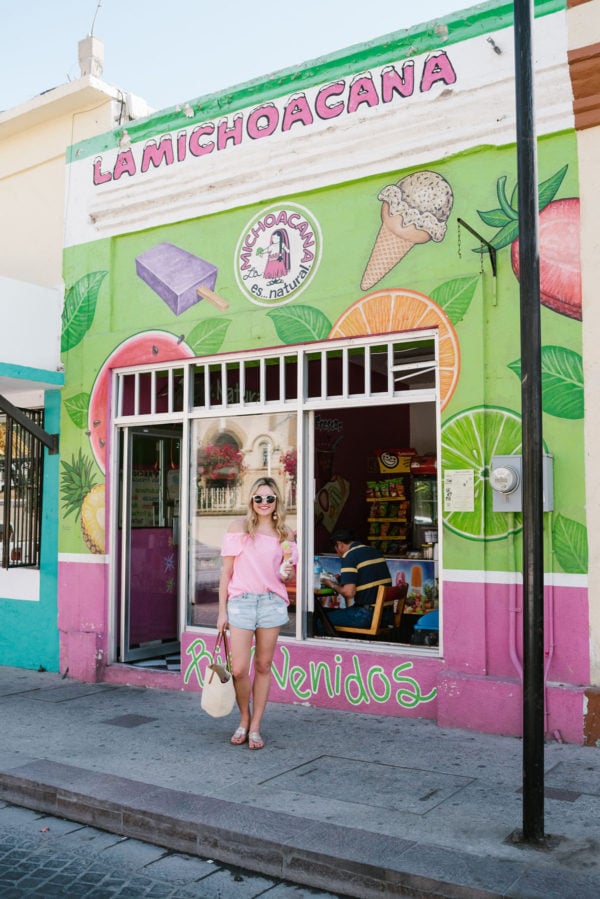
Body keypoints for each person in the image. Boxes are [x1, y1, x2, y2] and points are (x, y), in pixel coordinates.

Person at [217, 476, 297, 750]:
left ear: (277, 502)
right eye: (258, 498)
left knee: (263, 666)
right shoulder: (238, 527)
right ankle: (243, 717)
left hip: (271, 603)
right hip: (241, 603)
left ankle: (255, 726)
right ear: (251, 500)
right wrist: (221, 612)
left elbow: (287, 573)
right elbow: (226, 573)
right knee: (239, 669)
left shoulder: (285, 534)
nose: (264, 503)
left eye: (269, 498)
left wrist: (287, 572)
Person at [318, 528, 391, 633]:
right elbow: (366, 576)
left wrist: (330, 583)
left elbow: (349, 593)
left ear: (340, 544)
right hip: (386, 616)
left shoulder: (349, 556)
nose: (339, 555)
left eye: (336, 550)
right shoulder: (375, 551)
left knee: (321, 622)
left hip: (366, 616)